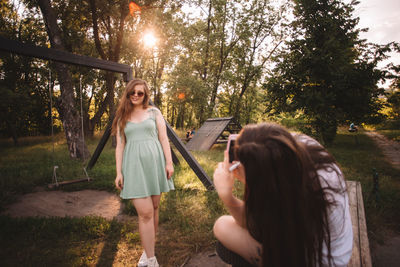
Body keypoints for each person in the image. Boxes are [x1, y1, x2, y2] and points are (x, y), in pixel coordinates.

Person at [213, 123, 353, 267]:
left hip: (317, 261)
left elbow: (254, 228)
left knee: (222, 226)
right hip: (336, 250)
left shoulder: (296, 194)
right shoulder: (303, 145)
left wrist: (227, 196)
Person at [112, 78, 174, 267]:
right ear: (128, 93)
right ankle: (152, 261)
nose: (136, 96)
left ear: (145, 94)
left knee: (154, 208)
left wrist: (169, 163)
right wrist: (118, 172)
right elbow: (120, 146)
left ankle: (148, 252)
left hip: (155, 164)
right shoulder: (123, 116)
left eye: (140, 93)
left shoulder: (154, 112)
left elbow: (163, 139)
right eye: (133, 92)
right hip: (134, 167)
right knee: (145, 213)